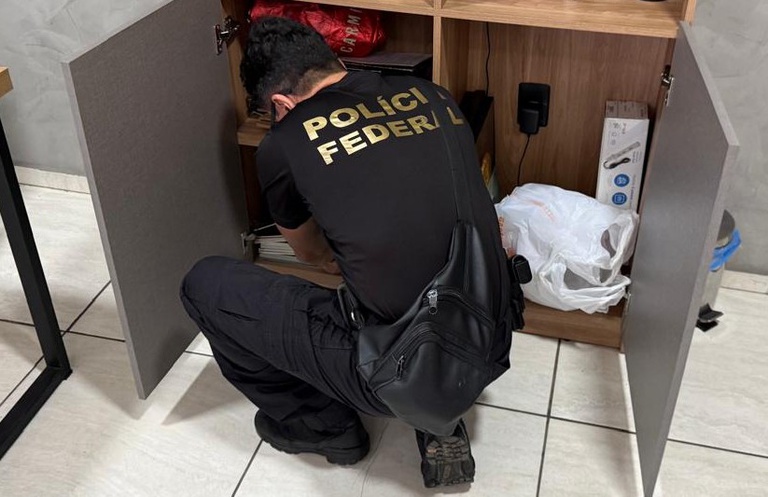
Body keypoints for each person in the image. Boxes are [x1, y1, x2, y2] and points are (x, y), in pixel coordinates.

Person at [180, 16, 510, 488]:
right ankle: (437, 408)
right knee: (400, 263)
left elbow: (312, 253)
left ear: (281, 104)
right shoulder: (432, 94)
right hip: (491, 335)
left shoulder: (284, 143)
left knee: (204, 285)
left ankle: (326, 426)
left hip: (406, 365)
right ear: (333, 60)